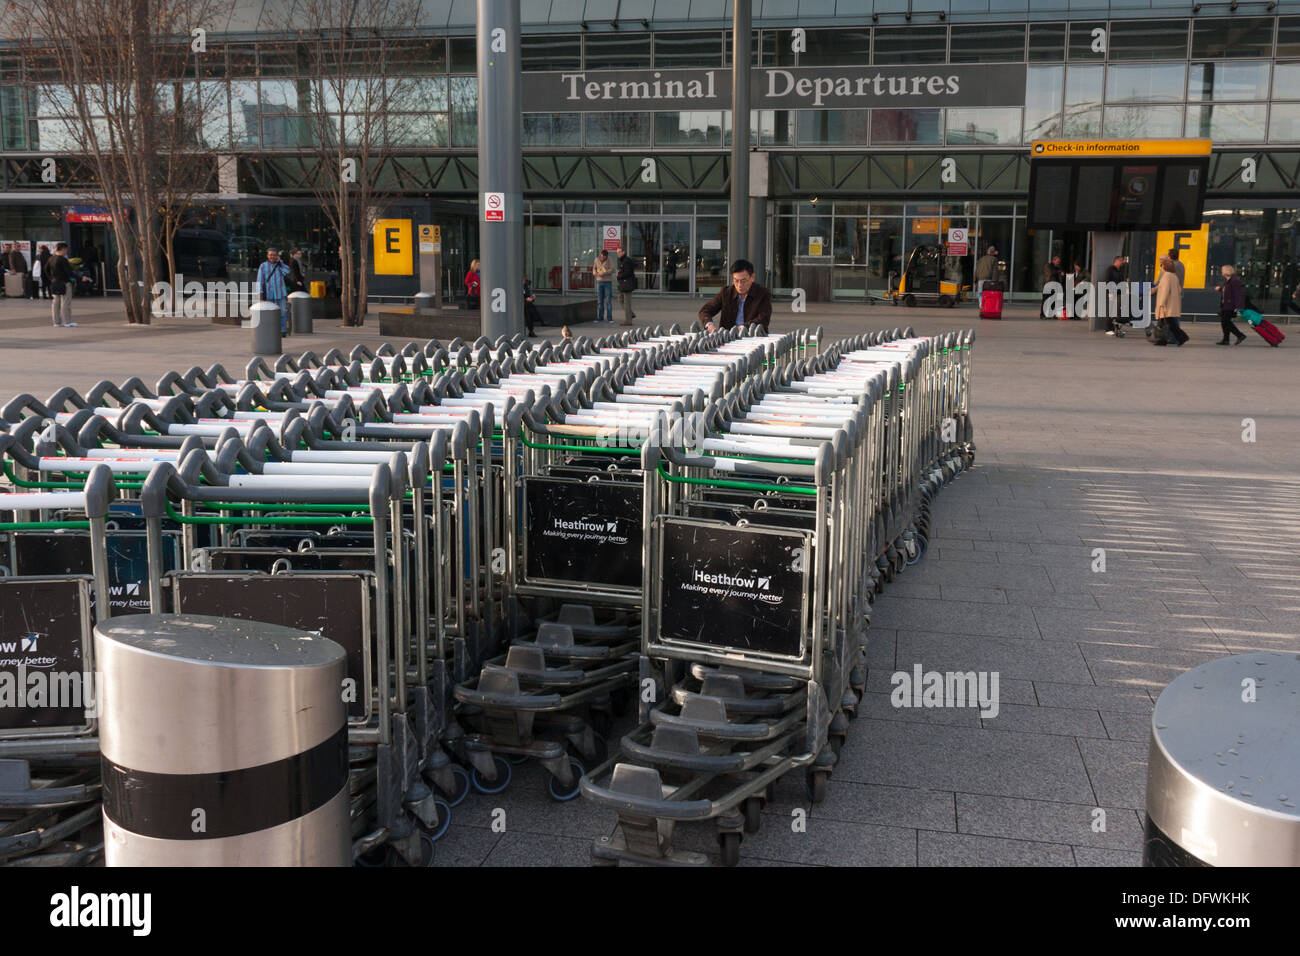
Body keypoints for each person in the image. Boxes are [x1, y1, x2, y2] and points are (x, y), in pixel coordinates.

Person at [698, 259, 773, 332]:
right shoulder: (726, 292)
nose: (739, 285)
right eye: (736, 281)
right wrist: (709, 324)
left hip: (753, 337)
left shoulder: (763, 293)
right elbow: (705, 310)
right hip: (729, 338)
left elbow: (763, 319)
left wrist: (743, 327)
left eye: (743, 281)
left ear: (752, 277)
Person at [1155, 249, 1188, 346]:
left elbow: (1165, 290)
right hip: (1173, 300)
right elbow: (1179, 288)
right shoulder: (1176, 273)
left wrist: (1161, 303)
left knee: (1169, 322)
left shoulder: (1167, 276)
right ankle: (1162, 339)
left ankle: (1178, 338)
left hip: (1167, 302)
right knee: (1167, 321)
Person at [256, 247, 292, 335]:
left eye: (274, 255)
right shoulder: (263, 266)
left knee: (282, 312)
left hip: (280, 293)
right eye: (270, 255)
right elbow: (259, 280)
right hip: (269, 294)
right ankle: (270, 331)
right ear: (267, 256)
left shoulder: (280, 265)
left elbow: (287, 271)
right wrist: (260, 292)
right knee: (270, 313)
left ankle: (282, 331)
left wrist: (280, 262)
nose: (272, 256)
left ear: (277, 256)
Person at [1216, 265, 1247, 346]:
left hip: (1230, 305)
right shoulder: (1228, 280)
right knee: (1224, 322)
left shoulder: (1234, 281)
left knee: (1226, 321)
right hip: (1225, 304)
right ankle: (1226, 339)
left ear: (1227, 271)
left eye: (1222, 270)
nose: (1221, 272)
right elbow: (1227, 291)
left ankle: (1240, 335)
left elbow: (1238, 295)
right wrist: (1220, 289)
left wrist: (1238, 306)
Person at [47, 242, 76, 327]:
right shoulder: (63, 259)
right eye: (66, 249)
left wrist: (51, 278)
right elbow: (69, 272)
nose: (67, 251)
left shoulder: (51, 258)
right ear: (63, 249)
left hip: (55, 283)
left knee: (55, 302)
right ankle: (67, 321)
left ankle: (56, 322)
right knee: (66, 302)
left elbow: (45, 269)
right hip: (64, 282)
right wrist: (80, 277)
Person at [1103, 255, 1125, 334]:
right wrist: (1109, 292)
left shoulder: (1119, 270)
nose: (1122, 262)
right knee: (1111, 310)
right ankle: (1108, 328)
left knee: (1116, 311)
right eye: (1121, 261)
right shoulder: (1110, 269)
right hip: (1112, 292)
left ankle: (1114, 327)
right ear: (1117, 261)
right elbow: (1107, 280)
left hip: (1119, 293)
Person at [615, 246, 636, 325]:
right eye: (617, 252)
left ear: (623, 252)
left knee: (627, 303)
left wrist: (619, 275)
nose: (618, 254)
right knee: (620, 299)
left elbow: (628, 272)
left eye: (619, 252)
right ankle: (630, 314)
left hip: (627, 284)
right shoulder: (624, 260)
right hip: (624, 284)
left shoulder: (626, 261)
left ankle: (628, 321)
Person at [592, 249, 614, 323]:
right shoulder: (596, 259)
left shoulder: (609, 259)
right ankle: (600, 317)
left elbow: (612, 269)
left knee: (608, 300)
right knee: (600, 300)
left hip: (607, 281)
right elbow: (594, 268)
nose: (602, 258)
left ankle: (609, 318)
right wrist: (594, 272)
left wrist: (604, 273)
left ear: (606, 256)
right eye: (601, 256)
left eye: (603, 257)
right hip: (599, 281)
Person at [1041, 254, 1064, 319]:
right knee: (1045, 301)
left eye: (1059, 262)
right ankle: (1043, 315)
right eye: (1057, 261)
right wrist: (1059, 272)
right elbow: (1051, 273)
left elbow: (1060, 276)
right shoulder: (1048, 266)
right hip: (1048, 286)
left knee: (1054, 301)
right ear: (1053, 260)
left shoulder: (1058, 267)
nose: (1058, 263)